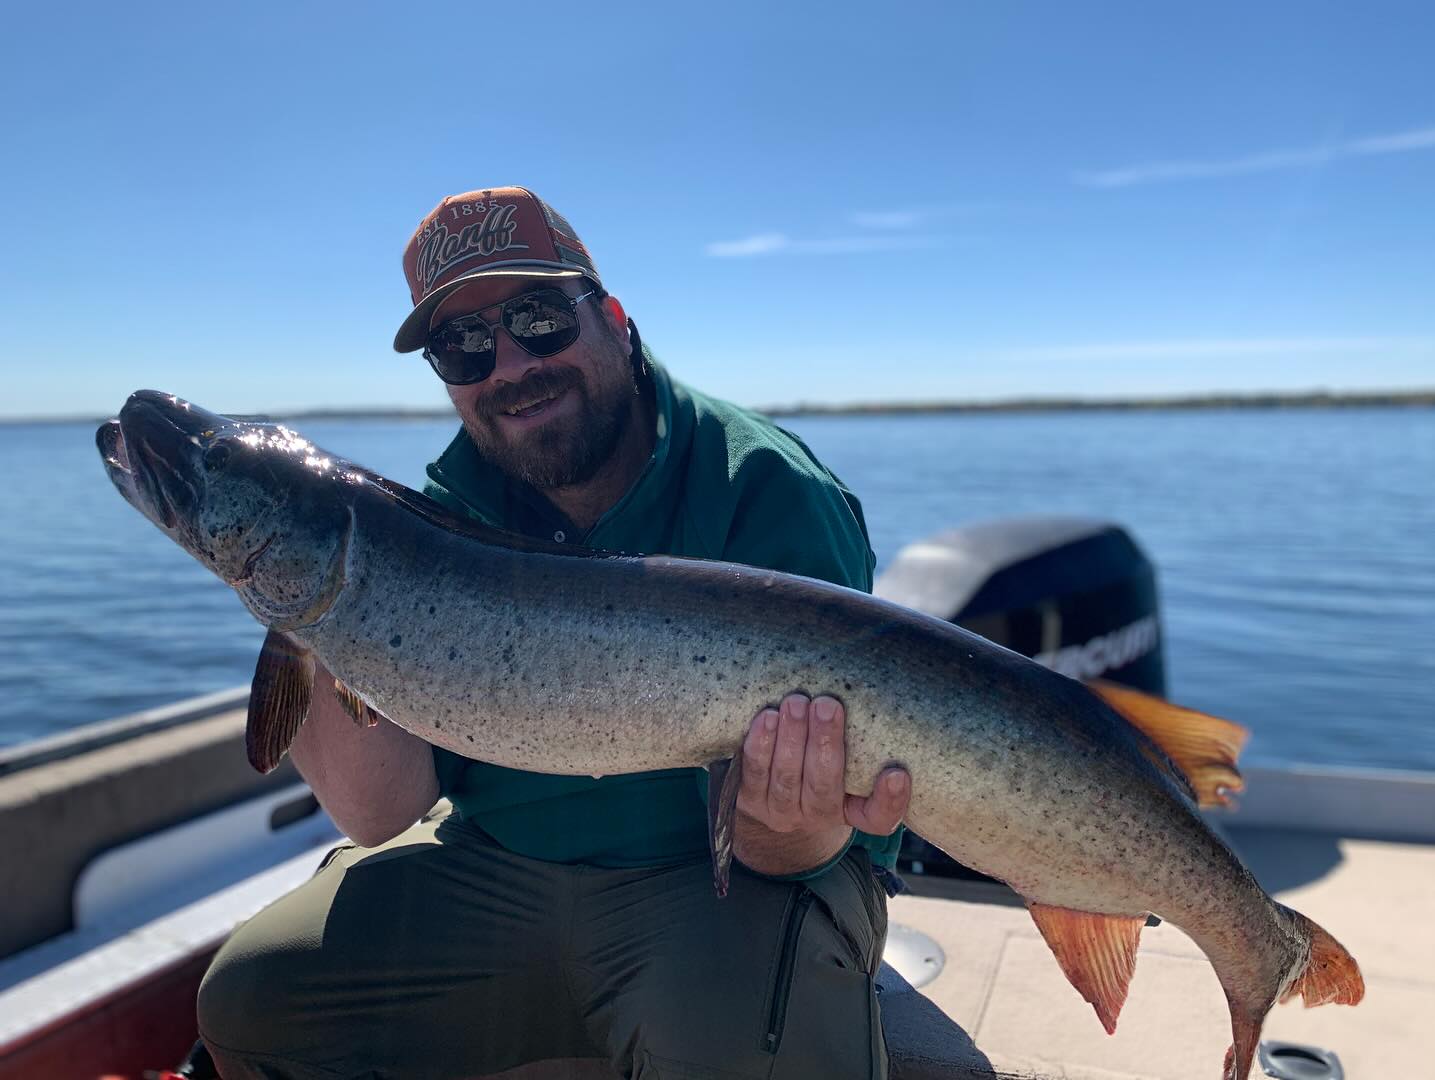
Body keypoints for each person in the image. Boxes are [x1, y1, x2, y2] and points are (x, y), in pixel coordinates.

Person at [197, 186, 913, 1079]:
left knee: (755, 1058)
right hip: (503, 867)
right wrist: (295, 603)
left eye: (537, 318)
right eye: (463, 348)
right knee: (252, 1004)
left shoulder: (765, 489)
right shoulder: (441, 518)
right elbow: (379, 811)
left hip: (731, 878)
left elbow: (810, 844)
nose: (507, 365)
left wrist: (784, 827)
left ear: (613, 319)